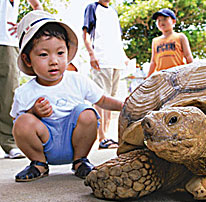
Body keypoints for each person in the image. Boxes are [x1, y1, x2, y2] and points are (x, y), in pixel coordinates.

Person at [10, 10, 123, 182]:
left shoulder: (77, 80)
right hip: (45, 143)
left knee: (87, 112)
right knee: (22, 120)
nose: (53, 60)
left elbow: (103, 100)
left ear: (68, 52)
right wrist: (33, 112)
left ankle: (80, 161)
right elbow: (17, 127)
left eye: (60, 53)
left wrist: (126, 105)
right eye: (43, 54)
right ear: (27, 60)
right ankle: (38, 163)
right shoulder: (24, 92)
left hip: (75, 142)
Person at [82, 0, 129, 149]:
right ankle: (101, 136)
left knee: (111, 101)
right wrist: (91, 54)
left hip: (116, 61)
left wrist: (124, 57)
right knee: (100, 99)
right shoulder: (92, 8)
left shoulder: (113, 12)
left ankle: (106, 136)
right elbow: (86, 34)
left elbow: (116, 39)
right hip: (101, 60)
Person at [0, 0, 42, 159]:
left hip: (6, 42)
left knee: (7, 95)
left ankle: (10, 143)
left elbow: (37, 6)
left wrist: (26, 25)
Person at [147, 8, 193, 78]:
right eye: (159, 20)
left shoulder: (180, 37)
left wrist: (192, 72)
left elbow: (188, 56)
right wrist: (148, 77)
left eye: (165, 19)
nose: (161, 22)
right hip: (161, 76)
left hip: (178, 74)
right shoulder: (155, 41)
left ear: (173, 21)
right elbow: (153, 62)